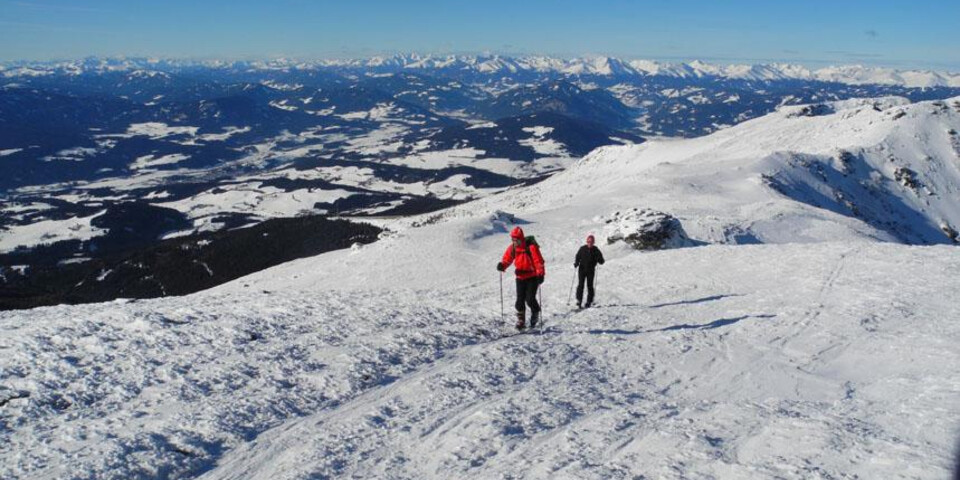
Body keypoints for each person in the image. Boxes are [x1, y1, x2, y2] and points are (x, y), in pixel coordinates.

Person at [496, 226, 545, 331]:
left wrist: (541, 274)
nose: (514, 242)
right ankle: (521, 321)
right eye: (512, 239)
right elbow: (507, 259)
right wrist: (502, 265)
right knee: (519, 300)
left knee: (530, 299)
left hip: (532, 277)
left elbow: (538, 261)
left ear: (520, 238)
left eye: (516, 239)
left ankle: (535, 311)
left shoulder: (530, 247)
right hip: (520, 277)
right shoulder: (513, 248)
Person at [574, 234, 604, 308]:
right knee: (581, 285)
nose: (589, 243)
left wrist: (598, 259)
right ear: (587, 241)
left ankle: (589, 301)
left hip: (590, 271)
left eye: (591, 242)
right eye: (588, 241)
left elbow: (602, 261)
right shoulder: (582, 248)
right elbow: (578, 256)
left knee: (589, 286)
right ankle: (579, 300)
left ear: (593, 242)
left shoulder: (596, 250)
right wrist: (576, 263)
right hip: (582, 269)